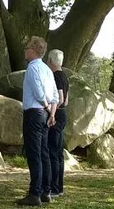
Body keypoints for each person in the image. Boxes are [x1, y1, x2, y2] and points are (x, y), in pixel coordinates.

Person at [15, 36, 59, 207]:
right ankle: (46, 191)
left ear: (33, 50)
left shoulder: (32, 68)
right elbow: (55, 94)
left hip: (34, 112)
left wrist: (46, 107)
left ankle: (35, 193)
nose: (25, 51)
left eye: (27, 48)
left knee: (34, 154)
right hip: (46, 114)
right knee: (44, 152)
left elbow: (39, 92)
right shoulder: (47, 70)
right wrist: (52, 113)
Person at [46, 49, 69, 198]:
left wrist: (51, 111)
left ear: (50, 61)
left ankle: (54, 188)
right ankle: (59, 187)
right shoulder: (65, 76)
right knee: (58, 153)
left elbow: (60, 98)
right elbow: (67, 100)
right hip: (63, 113)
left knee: (53, 152)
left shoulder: (55, 76)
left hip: (57, 115)